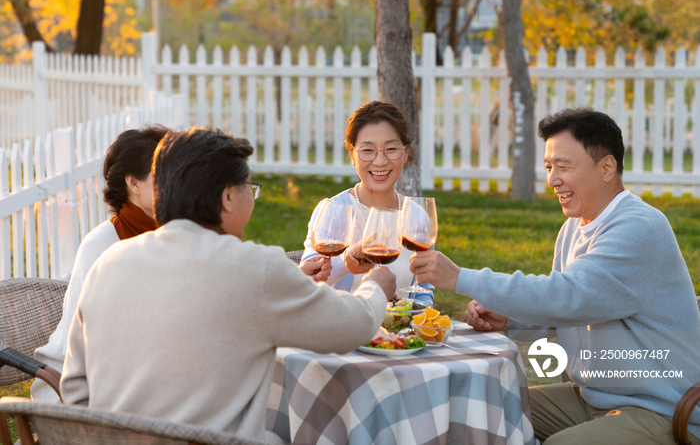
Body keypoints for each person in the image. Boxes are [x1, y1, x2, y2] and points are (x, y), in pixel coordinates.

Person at [60, 127, 396, 442]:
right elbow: (353, 325)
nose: (252, 198)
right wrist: (375, 285)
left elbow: (74, 386)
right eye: (249, 188)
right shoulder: (254, 267)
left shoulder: (108, 263)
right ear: (228, 198)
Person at [410, 108, 700, 445]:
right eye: (549, 167)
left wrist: (460, 277)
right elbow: (575, 313)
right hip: (595, 396)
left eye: (563, 166)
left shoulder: (638, 227)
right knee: (481, 410)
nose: (552, 179)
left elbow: (569, 295)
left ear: (606, 168)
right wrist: (511, 319)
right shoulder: (573, 229)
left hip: (663, 409)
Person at [31, 125, 168, 402]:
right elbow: (85, 343)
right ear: (134, 182)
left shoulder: (175, 231)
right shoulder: (103, 245)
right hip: (81, 385)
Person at [302, 100, 434, 302]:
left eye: (391, 149)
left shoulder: (417, 216)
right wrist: (346, 263)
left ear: (405, 153)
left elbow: (423, 293)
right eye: (367, 150)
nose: (380, 161)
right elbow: (306, 287)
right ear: (352, 155)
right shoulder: (332, 211)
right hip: (344, 329)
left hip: (400, 333)